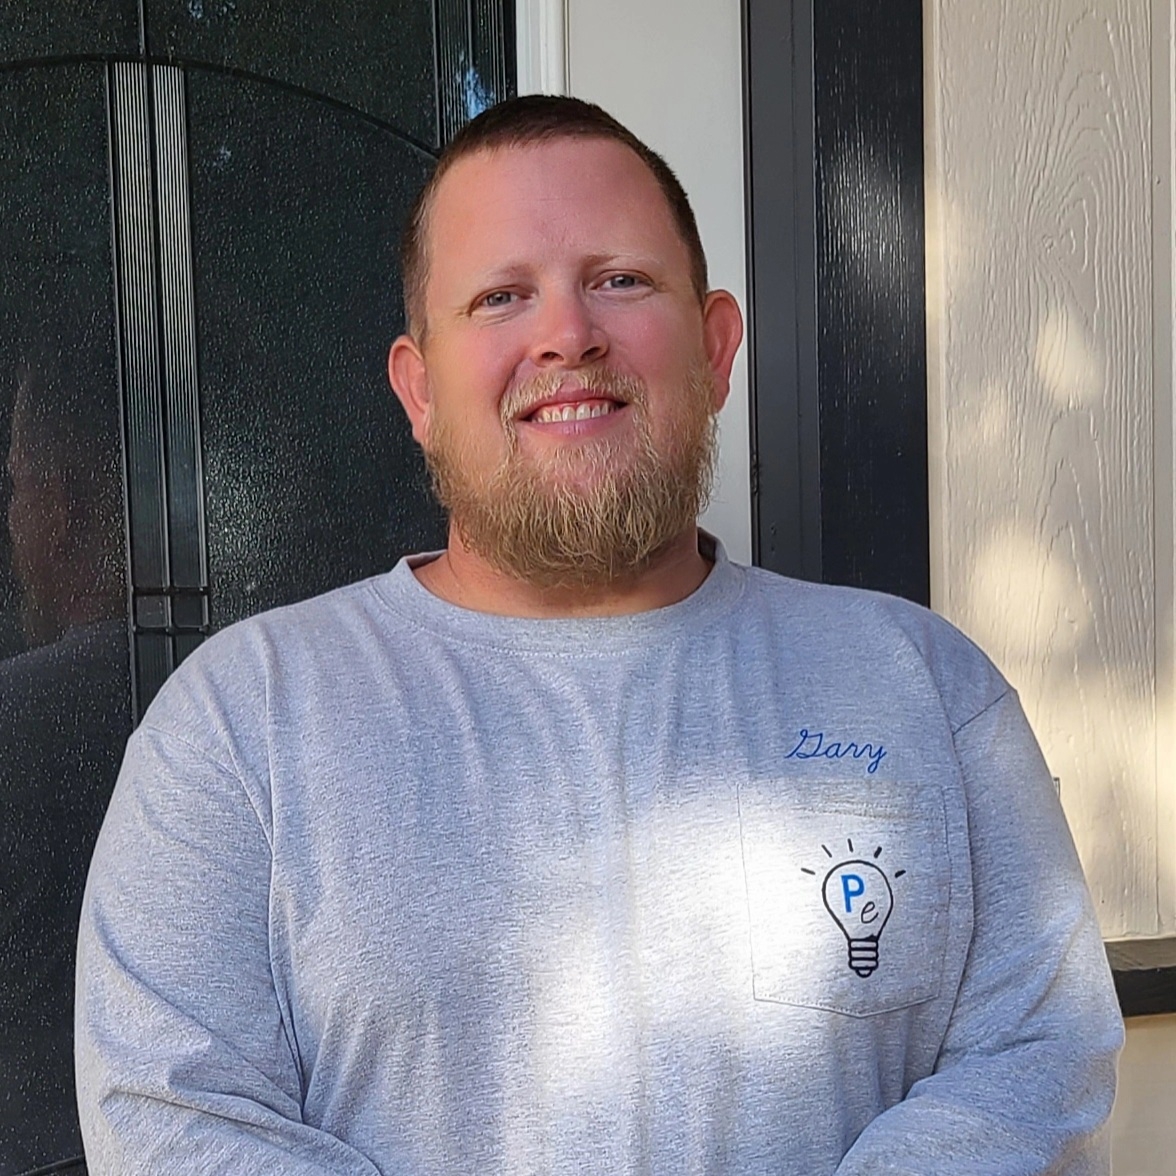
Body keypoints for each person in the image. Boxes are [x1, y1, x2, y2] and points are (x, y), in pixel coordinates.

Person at [75, 95, 1123, 1174]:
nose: (568, 336)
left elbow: (1036, 1056)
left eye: (620, 280)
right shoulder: (239, 727)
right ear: (419, 389)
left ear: (715, 347)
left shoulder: (928, 691)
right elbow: (172, 1116)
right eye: (501, 296)